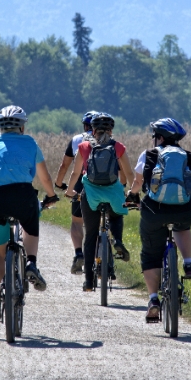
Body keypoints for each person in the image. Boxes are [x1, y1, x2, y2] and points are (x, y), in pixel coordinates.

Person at [0, 105, 59, 323]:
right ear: (22, 126)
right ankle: (31, 262)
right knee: (31, 222)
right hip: (23, 196)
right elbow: (46, 178)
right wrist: (51, 196)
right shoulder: (30, 143)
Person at [126, 118, 191, 321]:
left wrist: (132, 196)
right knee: (182, 226)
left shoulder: (149, 155)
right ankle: (188, 262)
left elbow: (138, 181)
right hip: (184, 210)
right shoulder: (188, 156)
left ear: (160, 137)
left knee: (150, 254)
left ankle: (153, 300)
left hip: (154, 211)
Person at [65, 112, 133, 291]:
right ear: (111, 130)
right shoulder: (118, 147)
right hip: (113, 194)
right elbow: (129, 173)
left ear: (92, 129)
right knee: (117, 215)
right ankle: (117, 240)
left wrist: (70, 190)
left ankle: (88, 281)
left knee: (90, 237)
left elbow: (75, 173)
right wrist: (132, 191)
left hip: (91, 196)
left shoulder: (84, 146)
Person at [54, 111, 98, 275]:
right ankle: (104, 255)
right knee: (102, 219)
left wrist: (59, 183)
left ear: (85, 125)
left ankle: (79, 253)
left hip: (81, 183)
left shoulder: (77, 140)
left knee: (77, 221)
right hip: (105, 185)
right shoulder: (109, 140)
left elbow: (65, 165)